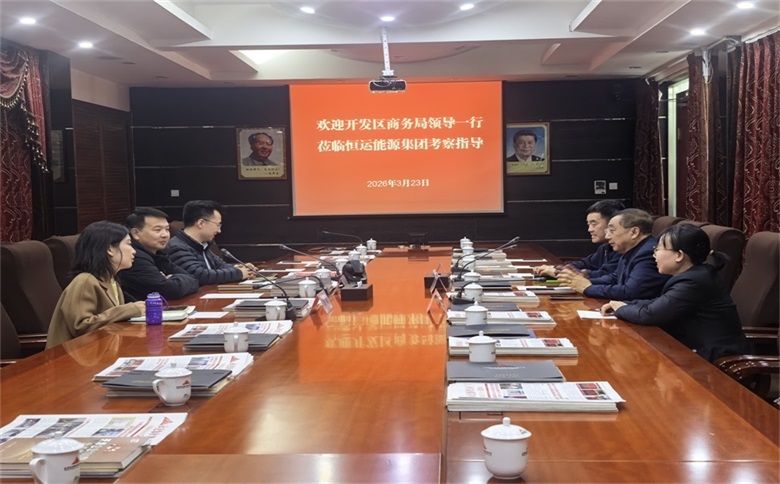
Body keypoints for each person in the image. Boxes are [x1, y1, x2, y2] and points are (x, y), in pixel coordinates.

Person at [600, 224, 749, 363]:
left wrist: (621, 309)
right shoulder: (695, 275)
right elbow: (658, 302)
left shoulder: (693, 282)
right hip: (693, 351)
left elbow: (650, 314)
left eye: (658, 249)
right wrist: (626, 304)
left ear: (679, 255)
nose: (654, 254)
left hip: (713, 361)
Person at [46, 221, 145, 348]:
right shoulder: (85, 281)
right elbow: (81, 326)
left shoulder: (112, 281)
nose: (134, 251)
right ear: (110, 249)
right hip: (76, 355)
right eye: (129, 244)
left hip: (102, 349)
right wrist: (128, 310)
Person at [557, 208, 669, 300]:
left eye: (612, 230)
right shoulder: (630, 249)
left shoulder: (647, 253)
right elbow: (615, 278)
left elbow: (630, 292)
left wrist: (587, 287)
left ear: (634, 232)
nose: (607, 236)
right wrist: (581, 281)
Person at [118, 207, 199, 301]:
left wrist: (173, 278)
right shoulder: (134, 258)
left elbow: (194, 280)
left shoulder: (159, 254)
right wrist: (173, 281)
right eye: (157, 230)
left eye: (167, 229)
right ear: (136, 234)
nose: (165, 235)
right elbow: (171, 291)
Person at [166, 200, 253, 285]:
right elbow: (199, 275)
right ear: (201, 223)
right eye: (218, 225)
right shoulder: (177, 247)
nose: (219, 231)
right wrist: (238, 273)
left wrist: (238, 268)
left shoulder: (202, 245)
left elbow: (220, 265)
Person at [533, 200, 624, 278]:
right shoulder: (604, 248)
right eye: (588, 224)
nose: (590, 229)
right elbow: (584, 264)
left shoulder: (622, 249)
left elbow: (605, 275)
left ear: (612, 224)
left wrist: (558, 272)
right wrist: (556, 268)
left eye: (594, 224)